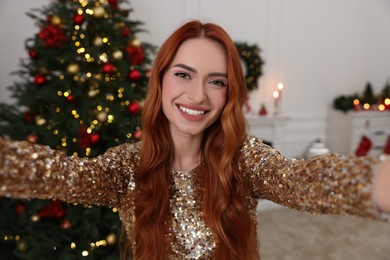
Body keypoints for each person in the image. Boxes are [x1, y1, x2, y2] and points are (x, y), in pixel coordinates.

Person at [0, 20, 390, 260]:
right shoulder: (125, 167)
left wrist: (375, 183)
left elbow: (304, 180)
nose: (198, 96)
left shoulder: (243, 159)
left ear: (229, 94)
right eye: (184, 75)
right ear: (162, 79)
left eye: (216, 82)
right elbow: (59, 174)